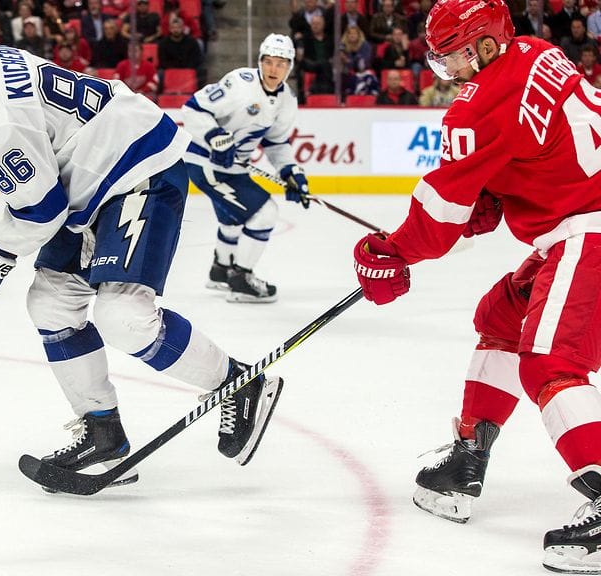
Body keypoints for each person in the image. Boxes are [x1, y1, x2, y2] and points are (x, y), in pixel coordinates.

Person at [0, 12, 284, 485]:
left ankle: (239, 384)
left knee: (124, 317)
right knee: (51, 303)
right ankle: (103, 435)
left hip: (137, 170)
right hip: (96, 177)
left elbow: (41, 210)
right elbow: (44, 188)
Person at [350, 1, 601, 572]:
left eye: (455, 58)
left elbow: (438, 219)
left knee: (551, 362)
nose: (450, 73)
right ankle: (468, 458)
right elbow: (535, 147)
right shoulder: (537, 52)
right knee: (502, 318)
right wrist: (492, 193)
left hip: (589, 229)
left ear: (486, 45)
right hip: (578, 220)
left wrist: (391, 252)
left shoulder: (478, 104)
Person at [180, 33, 310, 304]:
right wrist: (215, 136)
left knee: (233, 218)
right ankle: (241, 280)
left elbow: (276, 143)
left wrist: (291, 172)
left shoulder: (287, 100)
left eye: (281, 64)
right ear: (260, 61)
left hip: (234, 168)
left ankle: (221, 270)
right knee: (265, 214)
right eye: (269, 61)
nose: (274, 69)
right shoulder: (240, 83)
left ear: (290, 67)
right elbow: (193, 109)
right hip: (206, 162)